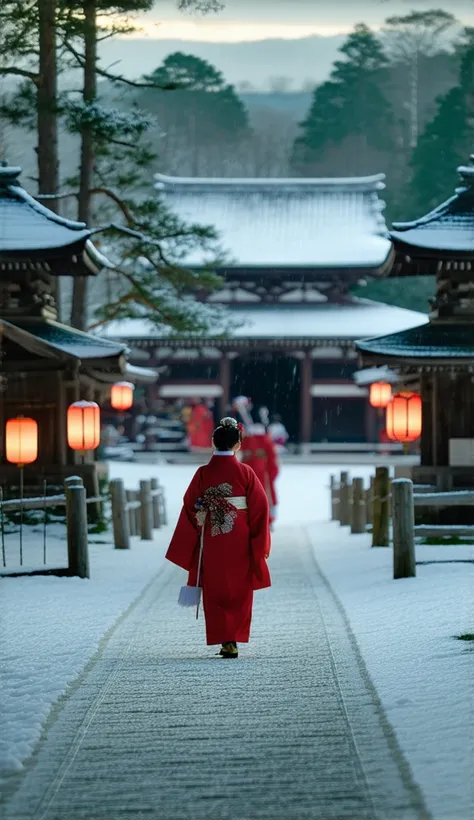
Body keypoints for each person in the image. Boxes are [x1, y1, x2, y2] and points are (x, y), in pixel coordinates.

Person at [166, 417, 271, 659]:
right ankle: (233, 639)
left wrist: (203, 515)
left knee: (215, 589)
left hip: (212, 538)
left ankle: (224, 641)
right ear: (238, 445)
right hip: (240, 539)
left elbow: (190, 505)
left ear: (213, 442)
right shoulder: (246, 472)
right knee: (239, 589)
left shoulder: (203, 473)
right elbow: (259, 509)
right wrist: (258, 543)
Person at [241, 422, 279, 525]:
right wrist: (272, 474)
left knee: (251, 497)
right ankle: (269, 519)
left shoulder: (246, 440)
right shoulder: (267, 441)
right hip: (264, 473)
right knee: (266, 496)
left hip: (249, 474)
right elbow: (273, 460)